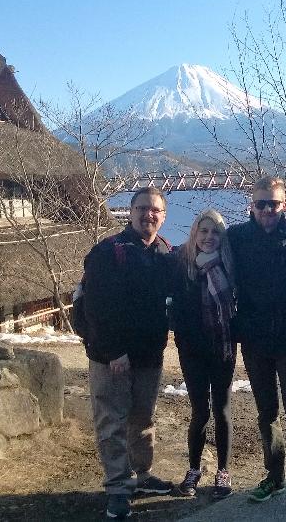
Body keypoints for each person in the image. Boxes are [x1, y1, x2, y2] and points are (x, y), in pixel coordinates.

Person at [226, 176, 286, 513]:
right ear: (251, 205)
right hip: (255, 339)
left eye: (274, 203)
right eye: (261, 203)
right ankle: (275, 475)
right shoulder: (237, 237)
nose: (268, 209)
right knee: (267, 412)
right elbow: (203, 252)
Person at [79, 186, 175, 519]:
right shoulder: (109, 251)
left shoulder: (164, 251)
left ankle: (143, 475)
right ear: (130, 212)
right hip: (112, 356)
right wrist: (114, 351)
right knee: (112, 421)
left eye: (156, 210)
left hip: (149, 354)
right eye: (142, 208)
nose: (149, 215)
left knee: (143, 419)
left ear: (163, 217)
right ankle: (118, 486)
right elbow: (96, 307)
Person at [170, 209, 238, 499]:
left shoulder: (229, 263)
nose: (209, 237)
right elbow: (172, 307)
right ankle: (194, 469)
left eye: (215, 232)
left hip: (223, 347)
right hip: (193, 350)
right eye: (204, 231)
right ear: (195, 233)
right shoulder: (181, 263)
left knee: (222, 410)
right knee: (200, 411)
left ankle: (223, 470)